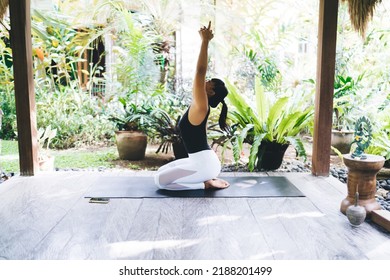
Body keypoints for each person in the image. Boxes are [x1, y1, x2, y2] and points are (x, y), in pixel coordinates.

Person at [154, 21, 230, 191]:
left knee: (160, 181)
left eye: (209, 82)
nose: (205, 81)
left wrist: (205, 41)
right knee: (161, 171)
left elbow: (199, 71)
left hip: (204, 164)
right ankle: (206, 178)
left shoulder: (202, 106)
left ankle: (205, 184)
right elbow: (201, 75)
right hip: (201, 161)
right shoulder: (200, 106)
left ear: (211, 92)